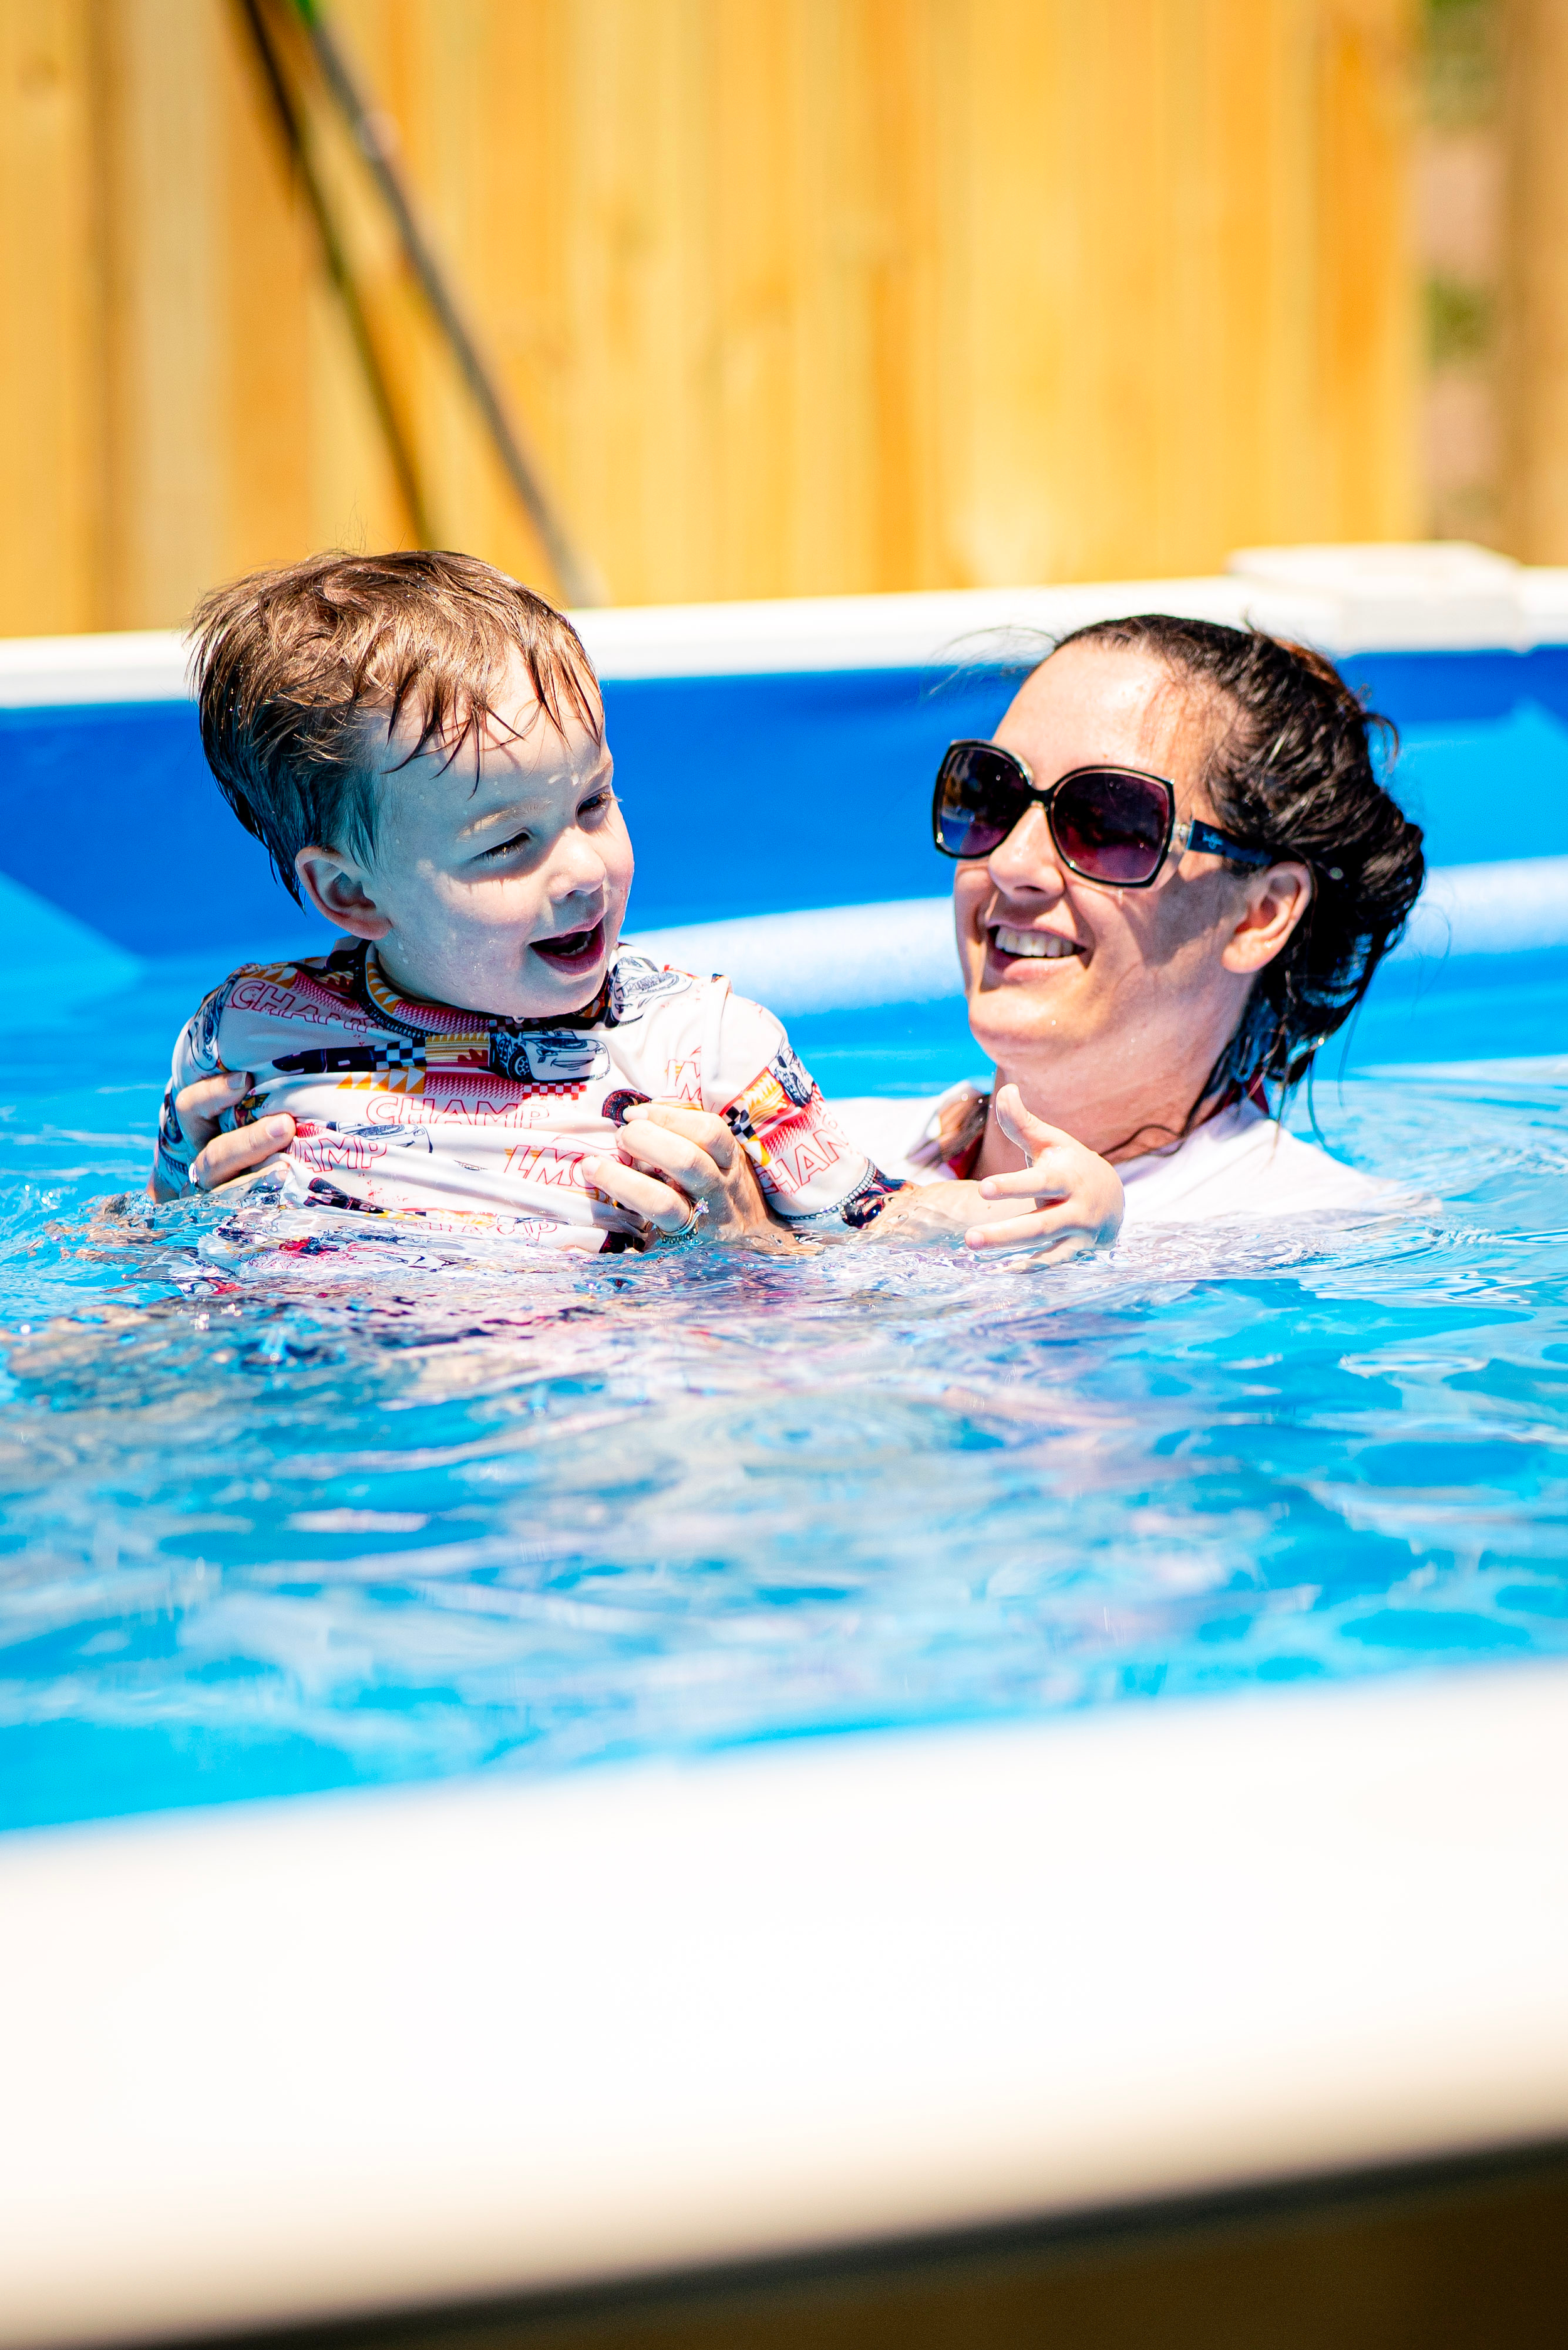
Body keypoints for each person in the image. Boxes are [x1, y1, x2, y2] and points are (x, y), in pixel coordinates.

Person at [154, 551, 1123, 1259]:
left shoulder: (704, 1049)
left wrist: (1052, 1211)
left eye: (592, 802)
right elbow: (148, 1234)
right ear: (351, 892)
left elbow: (877, 1226)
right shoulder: (249, 1034)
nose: (580, 868)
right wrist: (179, 1207)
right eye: (507, 845)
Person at [835, 615, 1426, 1227]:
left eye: (1108, 823)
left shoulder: (1328, 1237)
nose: (1012, 861)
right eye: (993, 796)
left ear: (1259, 914)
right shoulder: (820, 1157)